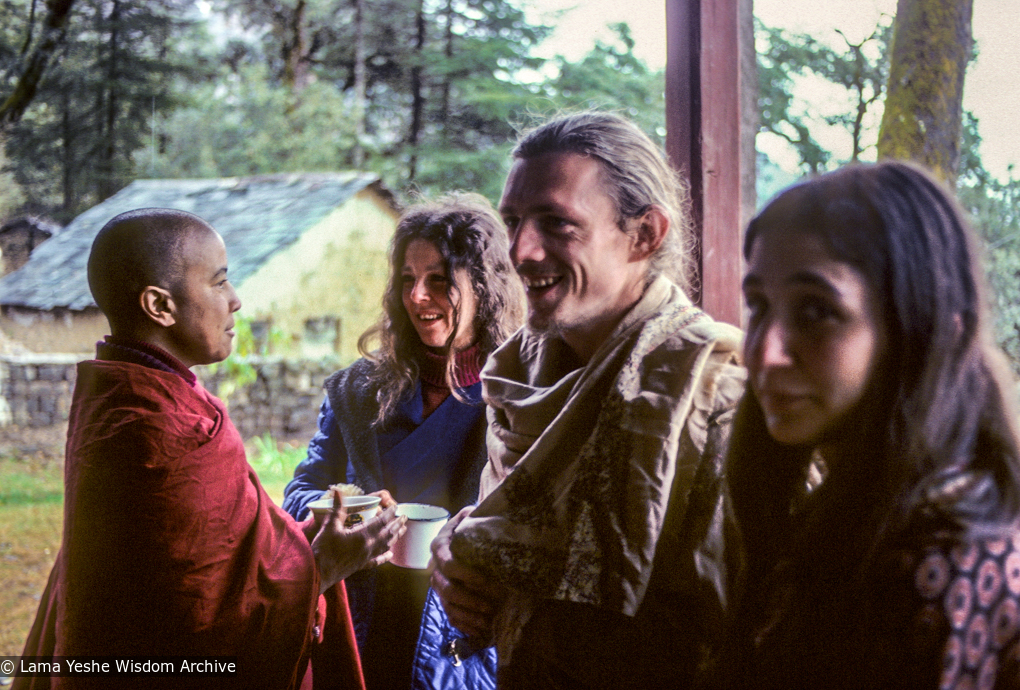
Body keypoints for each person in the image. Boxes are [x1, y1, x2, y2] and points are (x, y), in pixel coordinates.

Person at [14, 208, 405, 690]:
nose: (235, 301)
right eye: (219, 283)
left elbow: (206, 565)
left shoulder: (129, 395)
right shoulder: (156, 429)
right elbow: (197, 636)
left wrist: (302, 541)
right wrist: (323, 566)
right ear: (160, 306)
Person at [429, 111, 747, 689]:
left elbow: (745, 628)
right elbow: (505, 525)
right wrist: (455, 552)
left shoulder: (713, 398)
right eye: (514, 221)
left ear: (645, 234)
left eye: (557, 223)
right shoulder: (518, 376)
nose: (520, 251)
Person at [717, 161, 1020, 689]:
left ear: (917, 331)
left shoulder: (940, 564)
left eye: (815, 311)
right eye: (759, 306)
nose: (764, 353)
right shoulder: (850, 510)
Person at [282, 193, 524, 690]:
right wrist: (351, 510)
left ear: (484, 285)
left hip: (462, 634)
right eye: (408, 280)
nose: (417, 296)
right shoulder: (357, 392)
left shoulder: (521, 395)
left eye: (439, 280)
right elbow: (300, 492)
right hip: (362, 621)